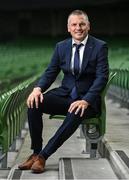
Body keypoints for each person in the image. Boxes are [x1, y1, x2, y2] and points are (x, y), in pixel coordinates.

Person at [18, 9, 109, 173]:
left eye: (82, 24)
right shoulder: (61, 47)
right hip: (65, 94)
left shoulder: (99, 46)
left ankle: (43, 156)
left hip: (86, 100)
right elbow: (50, 72)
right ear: (68, 28)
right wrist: (37, 89)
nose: (78, 28)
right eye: (74, 24)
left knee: (77, 110)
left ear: (88, 26)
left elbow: (101, 77)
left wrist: (86, 100)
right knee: (34, 103)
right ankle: (35, 152)